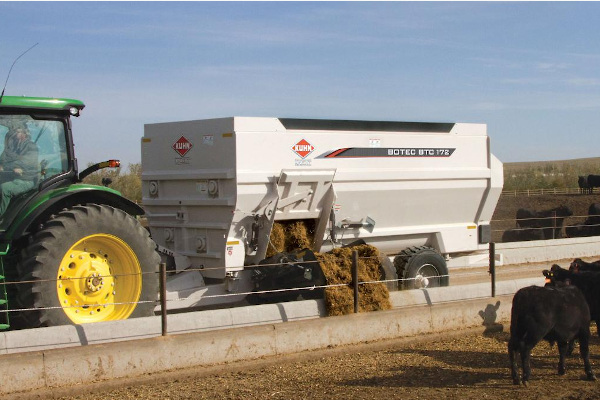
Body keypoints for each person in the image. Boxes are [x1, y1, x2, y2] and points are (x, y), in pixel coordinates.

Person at [0, 125, 39, 214]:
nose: (15, 134)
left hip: (25, 180)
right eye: (15, 132)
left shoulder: (31, 146)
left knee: (5, 189)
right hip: (14, 177)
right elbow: (4, 159)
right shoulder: (13, 146)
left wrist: (6, 167)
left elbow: (24, 162)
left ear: (25, 134)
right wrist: (3, 165)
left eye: (18, 132)